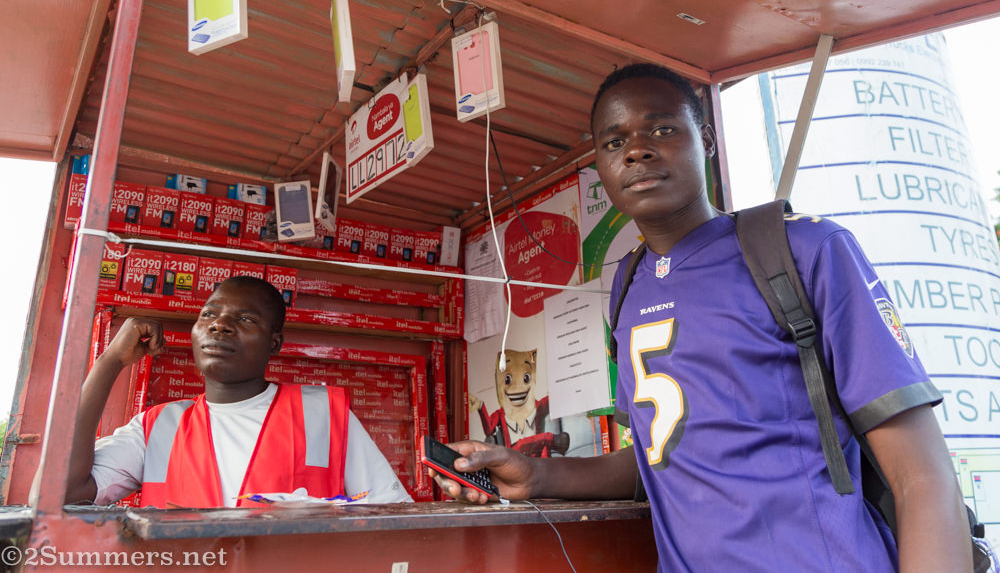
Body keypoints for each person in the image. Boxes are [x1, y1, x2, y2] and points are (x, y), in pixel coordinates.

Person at [431, 64, 972, 571]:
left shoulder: (803, 249)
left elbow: (923, 477)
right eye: (614, 142)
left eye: (662, 130)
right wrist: (535, 475)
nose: (636, 152)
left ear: (706, 141)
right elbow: (661, 452)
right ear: (599, 163)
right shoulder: (628, 285)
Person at [64, 275, 411, 507]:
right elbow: (61, 493)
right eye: (209, 314)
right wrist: (109, 361)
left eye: (245, 319)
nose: (219, 325)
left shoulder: (324, 415)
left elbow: (392, 515)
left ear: (274, 343)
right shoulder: (156, 428)